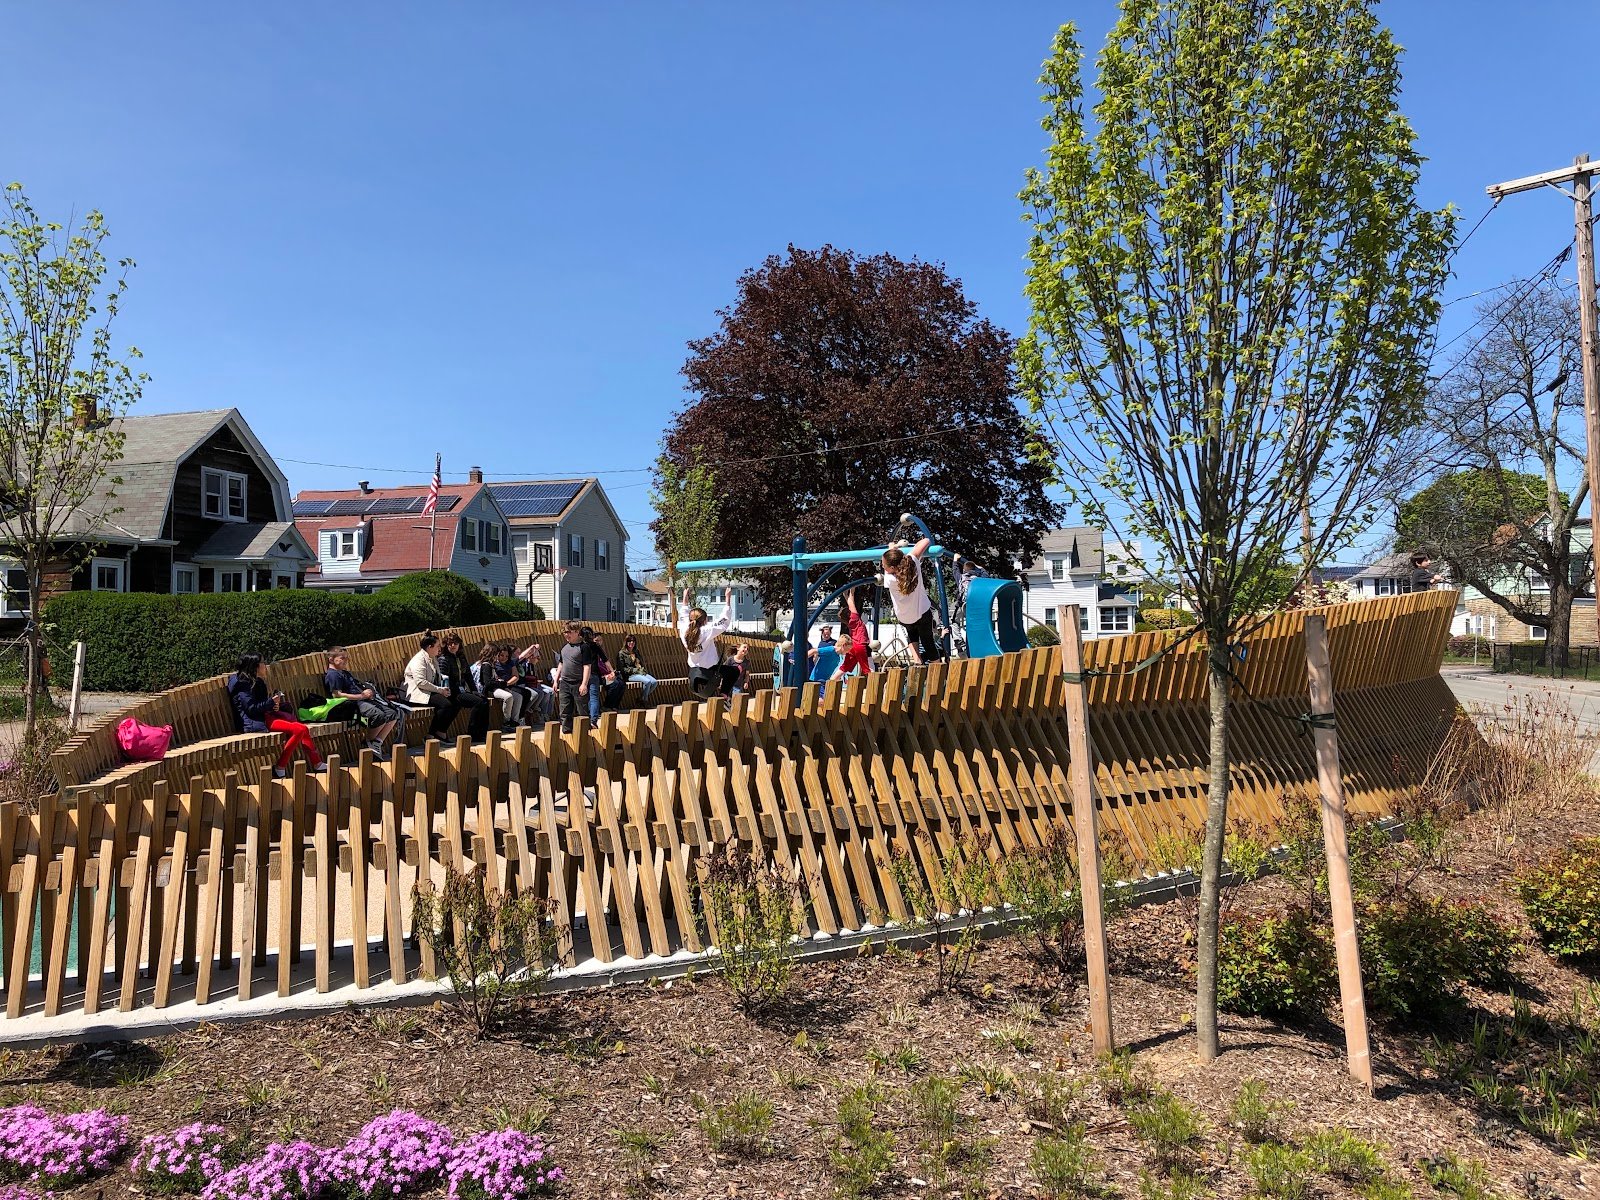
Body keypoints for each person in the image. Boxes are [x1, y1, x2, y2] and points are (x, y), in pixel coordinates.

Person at [229, 653, 327, 779]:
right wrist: (270, 702)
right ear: (255, 667)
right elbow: (251, 709)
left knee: (302, 728)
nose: (266, 666)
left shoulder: (257, 682)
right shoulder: (242, 685)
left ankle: (317, 763)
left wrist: (274, 704)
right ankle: (280, 767)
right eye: (263, 663)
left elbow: (262, 704)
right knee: (300, 729)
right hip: (256, 721)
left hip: (266, 717)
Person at [324, 646, 401, 757]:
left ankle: (376, 742)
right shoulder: (333, 675)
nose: (346, 660)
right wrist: (361, 696)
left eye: (346, 658)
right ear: (331, 659)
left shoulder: (344, 673)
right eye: (342, 658)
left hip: (362, 700)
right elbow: (336, 695)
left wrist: (367, 692)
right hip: (350, 706)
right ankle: (368, 743)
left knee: (393, 713)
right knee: (378, 715)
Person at [882, 534, 943, 665]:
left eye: (884, 565)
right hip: (922, 612)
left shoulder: (890, 579)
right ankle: (938, 666)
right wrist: (896, 549)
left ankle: (917, 659)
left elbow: (890, 564)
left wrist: (892, 546)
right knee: (928, 641)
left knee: (911, 634)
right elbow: (926, 541)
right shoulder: (912, 562)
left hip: (905, 616)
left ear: (892, 568)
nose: (883, 567)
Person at [404, 634, 463, 739]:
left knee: (457, 701)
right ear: (430, 647)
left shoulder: (432, 658)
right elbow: (421, 682)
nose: (440, 648)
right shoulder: (419, 660)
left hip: (428, 691)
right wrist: (439, 690)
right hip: (417, 694)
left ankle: (441, 731)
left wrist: (443, 689)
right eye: (437, 646)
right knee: (445, 704)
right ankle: (431, 735)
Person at [436, 633, 491, 740]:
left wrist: (474, 690)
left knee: (484, 700)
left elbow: (468, 676)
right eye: (450, 643)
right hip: (452, 693)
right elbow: (443, 679)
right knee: (478, 702)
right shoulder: (444, 659)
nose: (452, 646)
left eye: (455, 643)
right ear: (446, 645)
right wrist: (455, 691)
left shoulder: (461, 657)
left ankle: (482, 733)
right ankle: (473, 733)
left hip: (461, 690)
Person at [681, 586, 733, 698]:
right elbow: (724, 622)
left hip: (693, 671)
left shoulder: (684, 629)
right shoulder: (706, 630)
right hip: (710, 671)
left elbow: (684, 613)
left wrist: (685, 598)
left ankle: (718, 691)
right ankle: (724, 694)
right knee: (734, 672)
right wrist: (727, 600)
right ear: (705, 620)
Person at [553, 619, 595, 733]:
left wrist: (584, 684)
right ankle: (567, 733)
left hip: (578, 682)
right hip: (565, 683)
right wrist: (556, 680)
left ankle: (585, 733)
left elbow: (587, 667)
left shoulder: (584, 647)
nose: (566, 635)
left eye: (569, 632)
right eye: (565, 632)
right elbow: (561, 664)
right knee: (565, 710)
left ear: (577, 632)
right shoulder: (564, 648)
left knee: (582, 710)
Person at [472, 644, 525, 732]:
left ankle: (514, 721)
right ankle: (506, 721)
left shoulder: (491, 664)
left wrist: (503, 684)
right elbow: (488, 683)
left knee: (519, 697)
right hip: (490, 690)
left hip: (498, 687)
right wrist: (502, 683)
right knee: (508, 697)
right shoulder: (486, 665)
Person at [831, 586, 874, 679]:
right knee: (867, 669)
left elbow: (850, 603)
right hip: (860, 645)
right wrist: (852, 591)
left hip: (853, 646)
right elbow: (852, 602)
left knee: (845, 666)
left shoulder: (850, 622)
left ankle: (832, 680)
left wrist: (845, 595)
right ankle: (877, 685)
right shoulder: (855, 618)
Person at [585, 630, 626, 716]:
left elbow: (605, 664)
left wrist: (611, 672)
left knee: (622, 684)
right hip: (598, 677)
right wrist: (607, 675)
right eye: (596, 641)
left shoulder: (601, 650)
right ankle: (606, 706)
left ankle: (614, 705)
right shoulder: (591, 650)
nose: (599, 642)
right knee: (614, 684)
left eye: (600, 640)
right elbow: (596, 667)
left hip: (605, 675)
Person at [615, 633, 658, 708]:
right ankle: (645, 701)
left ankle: (641, 698)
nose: (631, 643)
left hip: (640, 672)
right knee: (647, 682)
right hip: (630, 675)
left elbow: (640, 662)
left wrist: (641, 668)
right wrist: (635, 670)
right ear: (626, 642)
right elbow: (622, 669)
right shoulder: (621, 653)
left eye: (633, 641)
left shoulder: (636, 651)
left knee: (654, 682)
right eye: (629, 641)